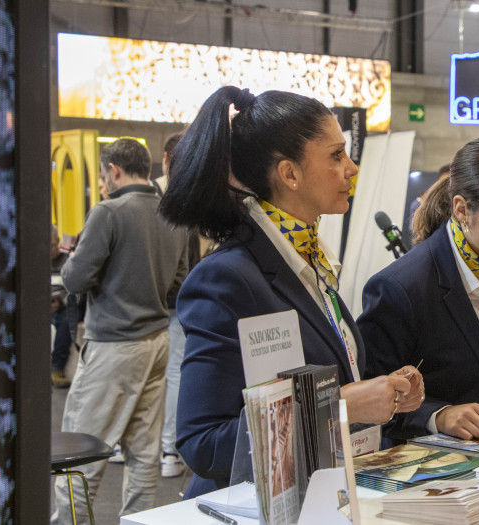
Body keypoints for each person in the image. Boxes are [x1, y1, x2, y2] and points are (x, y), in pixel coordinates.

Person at [158, 87, 424, 499]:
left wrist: (381, 395)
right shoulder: (227, 279)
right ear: (290, 174)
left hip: (319, 497)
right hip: (255, 505)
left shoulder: (308, 260)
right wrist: (340, 407)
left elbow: (321, 383)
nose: (352, 168)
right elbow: (203, 443)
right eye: (337, 155)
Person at [359, 136, 479, 440]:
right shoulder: (400, 288)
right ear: (461, 210)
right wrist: (438, 416)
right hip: (445, 474)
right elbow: (366, 405)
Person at [53, 138, 193, 523]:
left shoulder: (107, 212)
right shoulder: (173, 214)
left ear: (114, 170)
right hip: (157, 342)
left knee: (77, 453)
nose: (101, 184)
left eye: (102, 176)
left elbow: (74, 280)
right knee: (144, 455)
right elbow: (180, 282)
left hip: (113, 346)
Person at [151, 131, 191, 478]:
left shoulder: (158, 197)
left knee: (167, 374)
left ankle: (166, 450)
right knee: (173, 372)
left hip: (165, 301)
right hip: (180, 299)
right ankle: (167, 450)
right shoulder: (199, 195)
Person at [50, 224, 73, 388]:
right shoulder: (34, 263)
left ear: (58, 241)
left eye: (50, 245)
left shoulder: (68, 261)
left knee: (66, 319)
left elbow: (75, 288)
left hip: (63, 306)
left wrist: (60, 300)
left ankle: (57, 367)